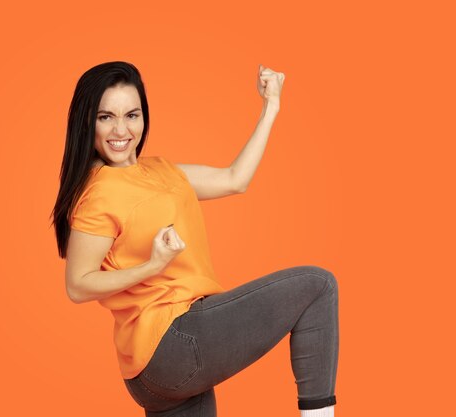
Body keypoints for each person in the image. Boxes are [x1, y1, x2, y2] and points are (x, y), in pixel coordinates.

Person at [51, 61, 339, 417]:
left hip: (158, 368)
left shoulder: (161, 171)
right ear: (86, 122)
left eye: (132, 114)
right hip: (172, 339)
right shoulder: (98, 194)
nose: (121, 129)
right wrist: (153, 265)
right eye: (105, 117)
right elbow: (78, 285)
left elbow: (236, 178)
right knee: (316, 285)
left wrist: (271, 106)